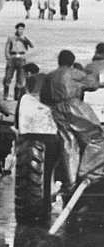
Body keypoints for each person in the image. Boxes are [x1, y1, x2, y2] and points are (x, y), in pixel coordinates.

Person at [40, 49, 104, 196]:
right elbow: (93, 85)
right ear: (72, 62)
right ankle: (88, 173)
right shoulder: (75, 73)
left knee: (68, 144)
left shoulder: (50, 76)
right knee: (97, 137)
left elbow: (44, 97)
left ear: (59, 61)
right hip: (74, 107)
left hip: (56, 110)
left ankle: (71, 181)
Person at [3, 23, 35, 100]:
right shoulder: (11, 37)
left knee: (20, 77)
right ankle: (5, 95)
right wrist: (8, 57)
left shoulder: (24, 38)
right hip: (13, 57)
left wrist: (25, 38)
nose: (20, 31)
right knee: (8, 77)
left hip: (21, 58)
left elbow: (32, 45)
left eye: (21, 29)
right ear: (16, 29)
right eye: (19, 29)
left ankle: (16, 96)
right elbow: (7, 48)